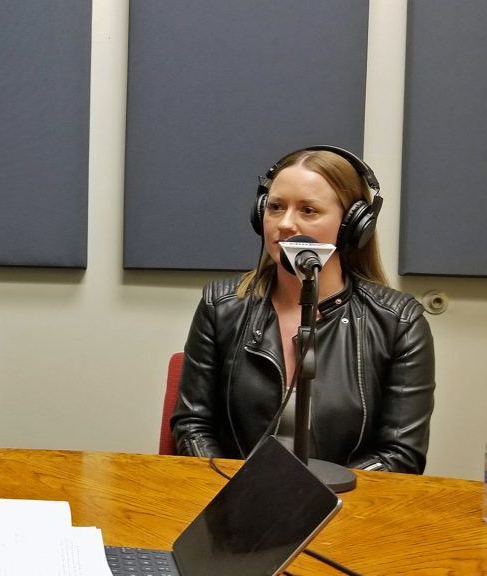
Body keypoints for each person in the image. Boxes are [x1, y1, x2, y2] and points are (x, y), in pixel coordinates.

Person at [171, 145, 435, 474]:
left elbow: (400, 454)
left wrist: (311, 499)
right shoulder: (221, 305)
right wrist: (239, 493)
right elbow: (192, 425)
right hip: (237, 500)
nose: (284, 223)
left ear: (353, 225)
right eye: (276, 207)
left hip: (346, 507)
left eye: (308, 210)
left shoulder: (399, 322)